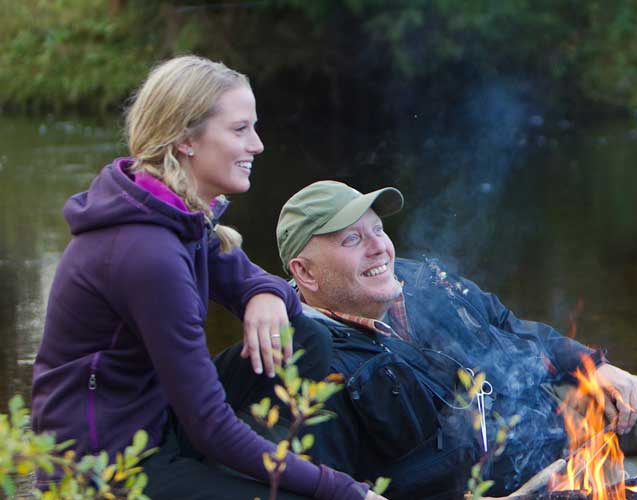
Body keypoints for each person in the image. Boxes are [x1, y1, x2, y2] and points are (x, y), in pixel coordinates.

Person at [216, 180, 637, 500]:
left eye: (376, 227)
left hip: (560, 405)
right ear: (301, 273)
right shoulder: (317, 365)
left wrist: (596, 368)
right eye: (351, 239)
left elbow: (519, 333)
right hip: (523, 473)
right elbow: (368, 481)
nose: (378, 245)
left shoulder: (422, 280)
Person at [31, 56, 379, 500]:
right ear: (184, 140)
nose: (257, 145)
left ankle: (241, 475)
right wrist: (349, 492)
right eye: (239, 130)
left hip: (160, 423)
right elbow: (211, 424)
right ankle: (255, 478)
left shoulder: (175, 212)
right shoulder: (148, 253)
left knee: (304, 338)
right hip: (107, 470)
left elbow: (250, 280)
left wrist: (266, 293)